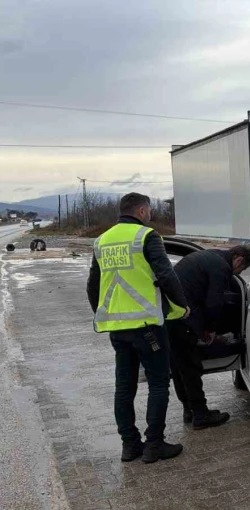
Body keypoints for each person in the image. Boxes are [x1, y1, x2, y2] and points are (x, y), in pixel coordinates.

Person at [86, 193, 190, 463]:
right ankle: (154, 445)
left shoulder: (102, 240)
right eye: (150, 210)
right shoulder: (146, 236)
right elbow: (166, 274)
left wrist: (103, 313)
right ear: (142, 211)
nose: (151, 215)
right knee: (158, 384)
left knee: (124, 387)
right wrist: (182, 306)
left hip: (117, 330)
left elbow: (92, 285)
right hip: (147, 326)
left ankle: (130, 445)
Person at [168, 246, 250, 429]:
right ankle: (200, 414)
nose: (239, 272)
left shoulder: (209, 256)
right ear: (239, 260)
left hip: (170, 314)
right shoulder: (221, 267)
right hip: (183, 317)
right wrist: (210, 329)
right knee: (190, 366)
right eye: (242, 269)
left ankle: (190, 410)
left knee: (179, 366)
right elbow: (215, 300)